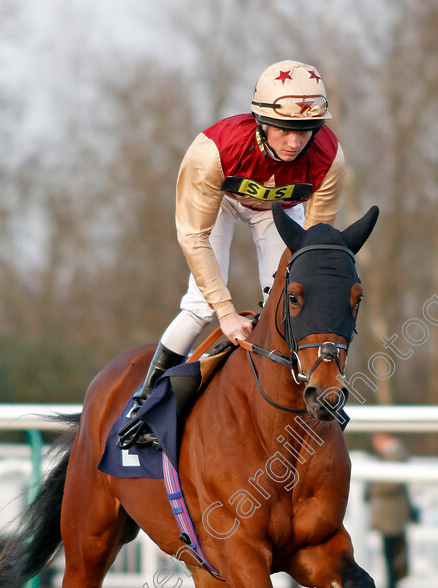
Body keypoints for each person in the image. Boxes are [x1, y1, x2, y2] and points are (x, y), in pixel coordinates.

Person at [118, 59, 345, 448]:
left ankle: (303, 397)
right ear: (261, 122)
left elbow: (315, 249)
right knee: (200, 308)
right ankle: (146, 404)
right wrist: (225, 313)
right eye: (285, 130)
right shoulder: (212, 151)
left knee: (288, 298)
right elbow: (193, 237)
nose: (295, 143)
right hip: (219, 202)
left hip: (279, 207)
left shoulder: (330, 158)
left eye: (306, 131)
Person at [367, 434, 417, 588]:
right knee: (392, 551)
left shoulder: (395, 455)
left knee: (393, 551)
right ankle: (392, 587)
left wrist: (372, 490)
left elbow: (391, 484)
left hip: (392, 513)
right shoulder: (394, 455)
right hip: (392, 513)